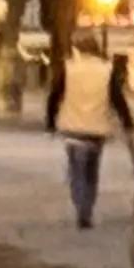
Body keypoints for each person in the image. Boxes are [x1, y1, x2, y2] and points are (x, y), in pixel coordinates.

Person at [48, 43, 116, 231]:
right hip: (97, 128)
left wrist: (51, 121)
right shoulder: (107, 70)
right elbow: (117, 98)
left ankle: (80, 207)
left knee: (76, 171)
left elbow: (54, 95)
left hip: (73, 127)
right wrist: (127, 122)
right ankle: (88, 209)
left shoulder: (68, 68)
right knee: (92, 172)